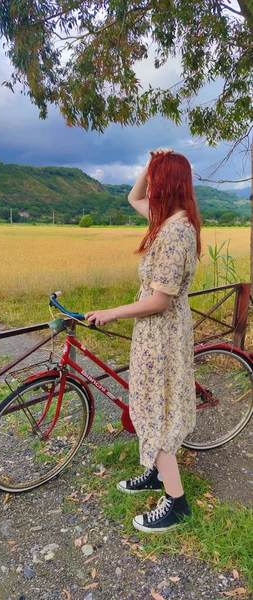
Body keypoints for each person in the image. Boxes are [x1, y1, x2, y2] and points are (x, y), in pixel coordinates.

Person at [85, 148, 201, 533]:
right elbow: (132, 197)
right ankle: (156, 473)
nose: (148, 189)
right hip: (160, 334)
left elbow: (159, 300)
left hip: (161, 336)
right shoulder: (171, 221)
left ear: (167, 188)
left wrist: (112, 311)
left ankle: (177, 503)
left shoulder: (176, 233)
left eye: (155, 182)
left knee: (156, 410)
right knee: (152, 404)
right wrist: (150, 164)